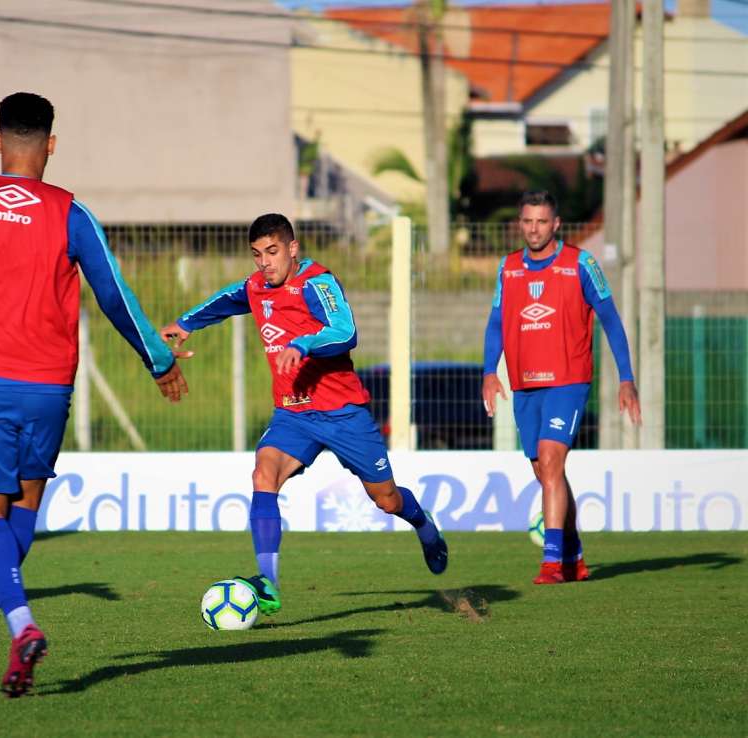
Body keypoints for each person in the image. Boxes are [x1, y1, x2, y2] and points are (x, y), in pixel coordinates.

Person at [0, 91, 189, 697]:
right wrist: (158, 361)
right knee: (24, 507)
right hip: (50, 390)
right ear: (50, 145)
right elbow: (113, 295)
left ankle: (23, 626)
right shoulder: (71, 213)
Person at [160, 213, 448, 617]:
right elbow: (228, 298)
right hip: (294, 414)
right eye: (257, 254)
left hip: (343, 413)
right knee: (264, 473)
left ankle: (424, 525)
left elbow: (346, 332)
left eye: (273, 252)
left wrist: (304, 343)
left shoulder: (318, 282)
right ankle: (269, 583)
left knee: (386, 499)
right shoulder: (257, 286)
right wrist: (187, 322)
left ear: (293, 249)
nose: (264, 263)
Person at [481, 190, 641, 585]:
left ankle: (552, 564)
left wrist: (626, 378)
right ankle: (575, 555)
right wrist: (489, 371)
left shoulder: (581, 264)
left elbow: (611, 319)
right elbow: (496, 323)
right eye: (527, 221)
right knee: (544, 471)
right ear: (521, 224)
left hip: (568, 381)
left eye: (541, 221)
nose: (534, 229)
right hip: (524, 384)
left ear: (556, 225)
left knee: (552, 463)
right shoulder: (508, 268)